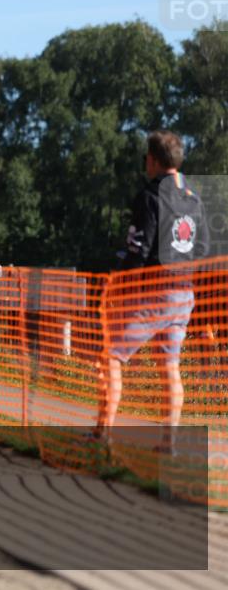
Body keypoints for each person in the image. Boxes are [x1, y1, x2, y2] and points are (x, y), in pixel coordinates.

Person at [97, 130, 209, 450]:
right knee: (170, 367)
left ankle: (101, 434)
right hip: (183, 294)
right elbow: (201, 247)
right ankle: (168, 442)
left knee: (111, 357)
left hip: (153, 292)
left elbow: (138, 248)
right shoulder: (194, 197)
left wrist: (119, 287)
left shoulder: (150, 195)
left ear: (154, 160)